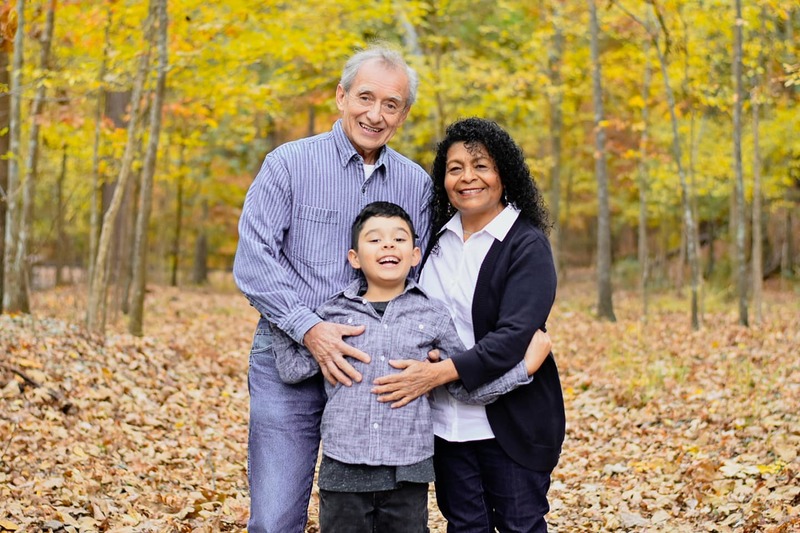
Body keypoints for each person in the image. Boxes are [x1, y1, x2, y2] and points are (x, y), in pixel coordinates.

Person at [232, 45, 434, 532]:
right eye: (365, 97)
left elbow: (423, 274)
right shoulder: (288, 164)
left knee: (371, 520)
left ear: (404, 114)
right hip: (289, 358)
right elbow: (253, 259)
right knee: (276, 516)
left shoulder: (416, 184)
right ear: (341, 97)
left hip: (375, 371)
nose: (375, 114)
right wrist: (310, 328)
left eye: (391, 104)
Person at [269, 201, 549, 533]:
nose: (388, 245)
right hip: (343, 468)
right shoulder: (331, 315)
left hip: (409, 473)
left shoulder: (433, 315)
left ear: (415, 255)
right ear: (354, 258)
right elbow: (293, 369)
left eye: (399, 239)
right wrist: (282, 309)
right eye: (375, 239)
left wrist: (524, 368)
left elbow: (465, 385)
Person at [372, 118, 566, 532]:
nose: (467, 178)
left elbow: (513, 338)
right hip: (445, 424)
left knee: (520, 526)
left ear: (503, 174)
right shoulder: (433, 242)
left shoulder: (525, 244)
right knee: (464, 526)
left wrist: (439, 373)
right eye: (455, 168)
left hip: (511, 422)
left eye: (481, 166)